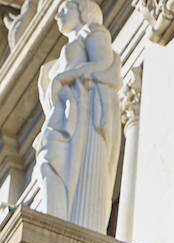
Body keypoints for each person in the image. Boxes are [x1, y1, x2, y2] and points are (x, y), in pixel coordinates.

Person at [33, 0, 122, 231]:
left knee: (60, 169)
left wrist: (64, 77)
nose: (57, 15)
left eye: (64, 8)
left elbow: (104, 65)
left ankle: (72, 229)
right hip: (63, 118)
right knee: (46, 164)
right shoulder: (59, 58)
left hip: (84, 117)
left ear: (81, 8)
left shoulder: (92, 31)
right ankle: (57, 230)